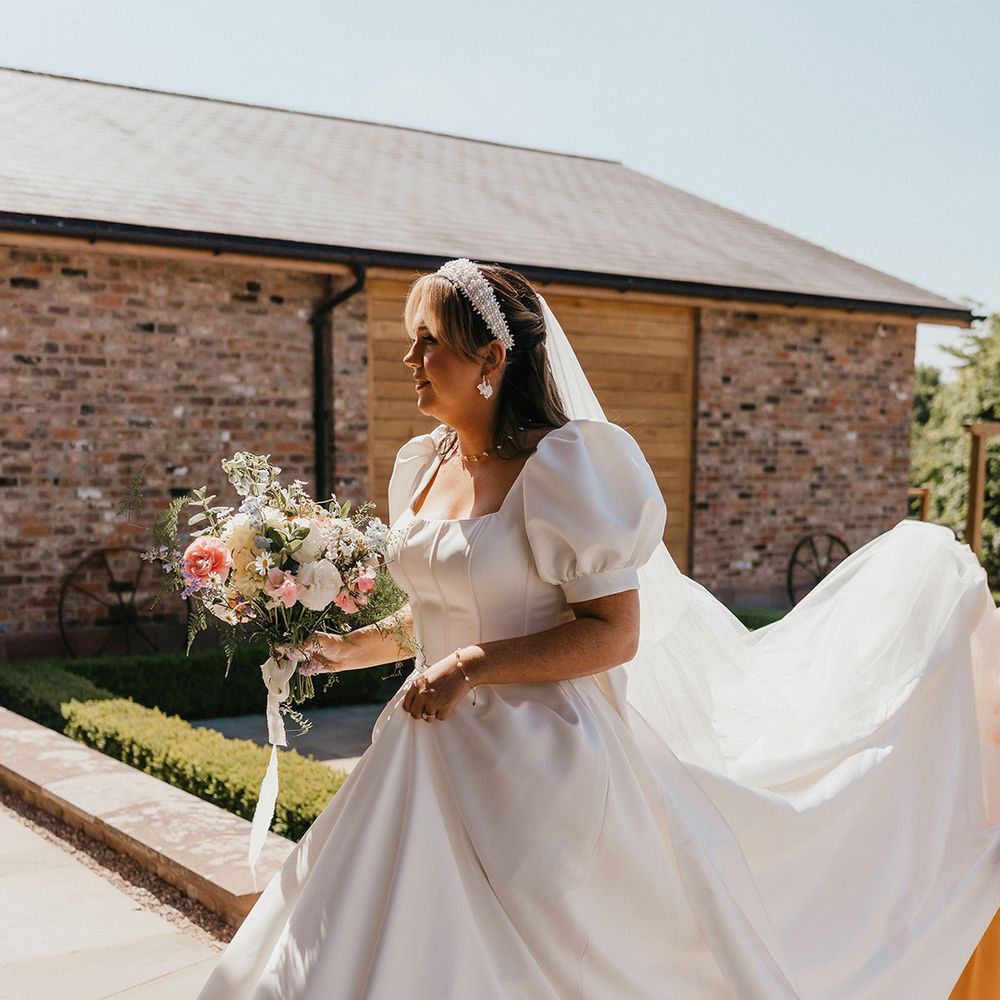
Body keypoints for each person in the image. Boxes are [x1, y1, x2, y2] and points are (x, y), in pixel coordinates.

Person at [196, 259, 999, 999]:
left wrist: (470, 667)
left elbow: (614, 631)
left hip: (537, 766)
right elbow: (429, 617)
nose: (411, 360)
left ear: (490, 361)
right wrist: (341, 649)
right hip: (424, 745)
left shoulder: (566, 468)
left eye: (428, 343)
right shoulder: (424, 465)